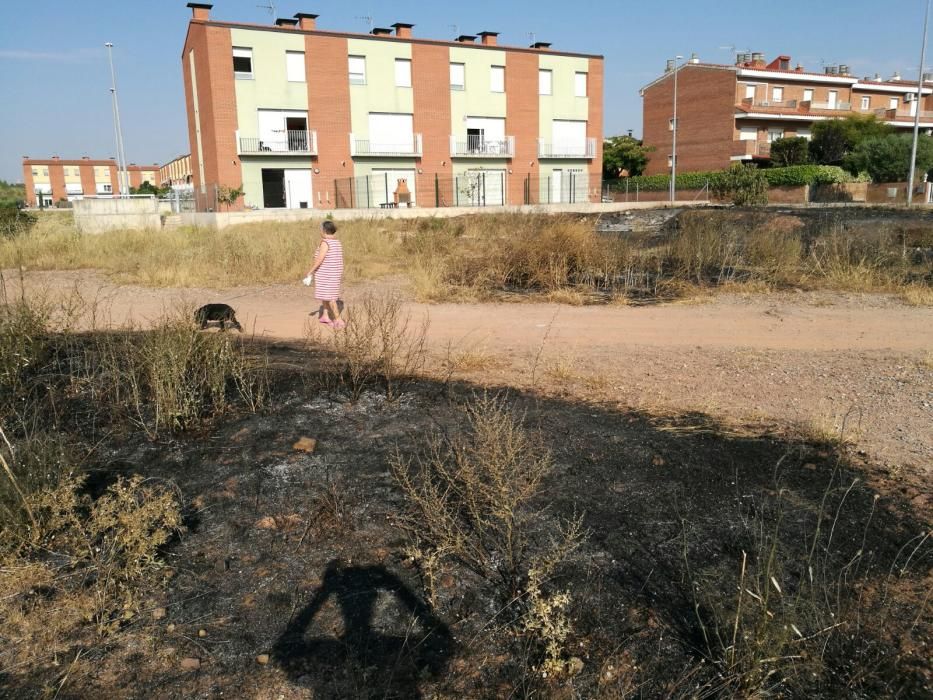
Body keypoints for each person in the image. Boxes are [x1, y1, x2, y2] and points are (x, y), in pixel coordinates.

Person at [306, 220, 345, 328]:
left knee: (331, 297)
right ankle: (325, 315)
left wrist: (311, 271)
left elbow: (319, 259)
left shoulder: (325, 243)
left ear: (323, 230)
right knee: (325, 294)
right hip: (333, 272)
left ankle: (338, 320)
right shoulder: (337, 242)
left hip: (327, 273)